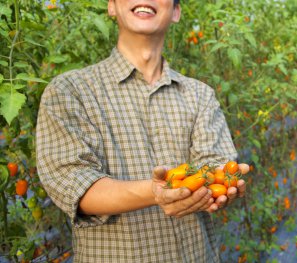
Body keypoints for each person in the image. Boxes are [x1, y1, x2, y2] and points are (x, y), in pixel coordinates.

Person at [36, 0, 246, 262]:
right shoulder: (70, 91)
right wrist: (156, 192)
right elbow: (74, 183)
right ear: (111, 6)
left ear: (176, 12)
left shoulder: (199, 95)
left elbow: (215, 166)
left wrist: (221, 185)